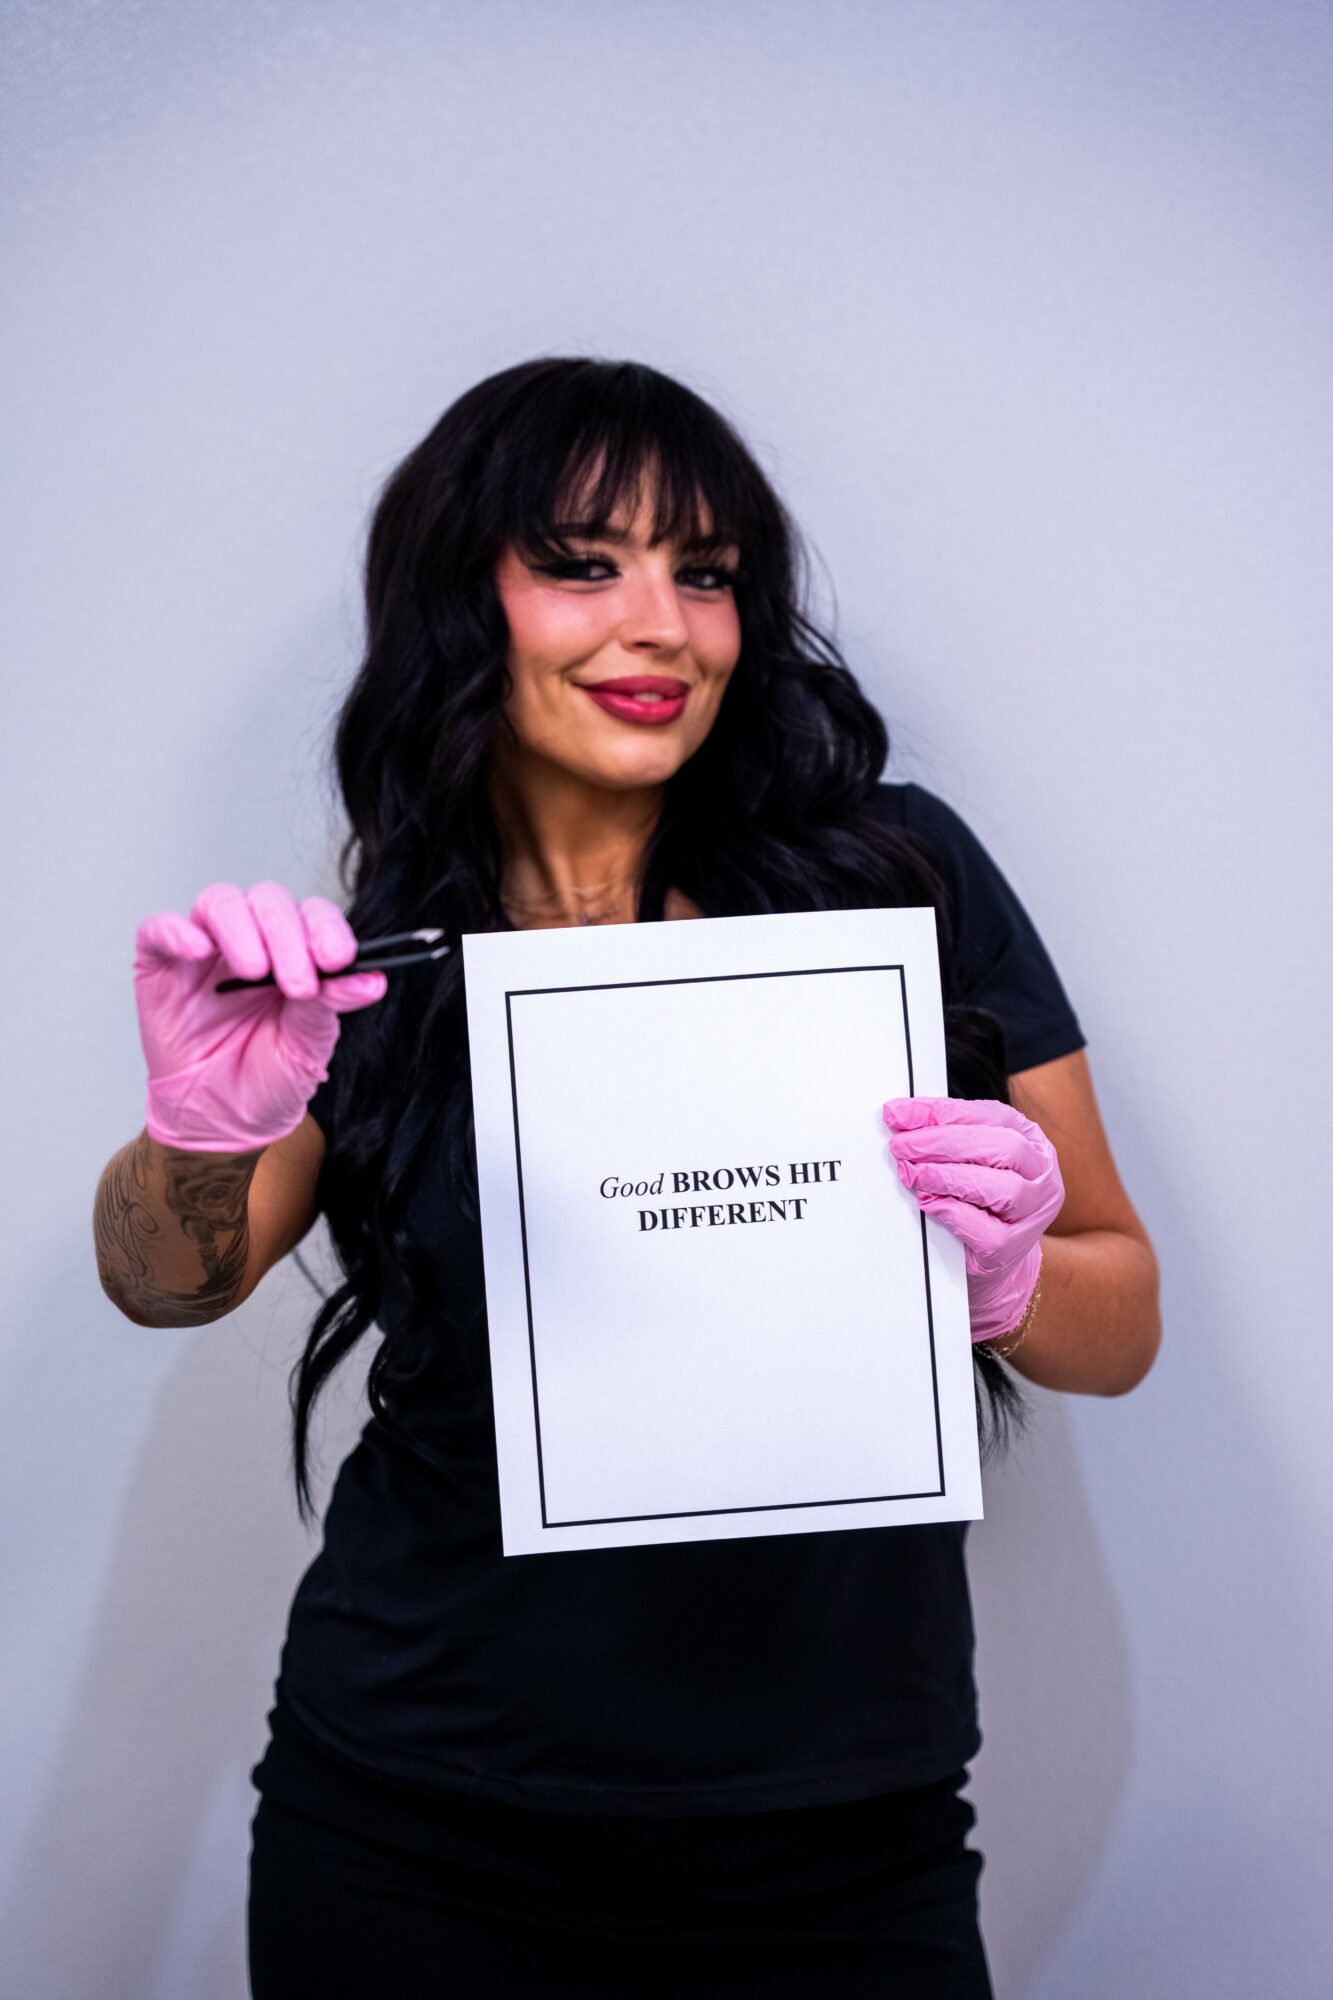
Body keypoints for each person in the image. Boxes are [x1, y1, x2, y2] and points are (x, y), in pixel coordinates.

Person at [95, 357, 1161, 1997]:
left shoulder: (896, 883)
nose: (663, 623)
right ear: (464, 602)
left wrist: (1010, 1278)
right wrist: (201, 1126)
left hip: (839, 1839)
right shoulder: (372, 966)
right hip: (413, 1828)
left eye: (708, 571)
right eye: (584, 563)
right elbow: (168, 1279)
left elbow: (1122, 1316)